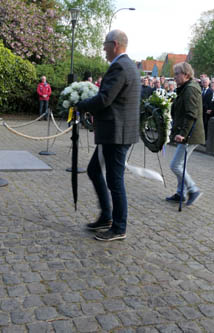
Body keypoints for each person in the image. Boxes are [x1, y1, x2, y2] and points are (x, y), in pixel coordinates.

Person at [76, 30, 140, 241]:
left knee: (115, 180)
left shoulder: (120, 66)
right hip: (115, 132)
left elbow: (104, 99)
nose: (103, 49)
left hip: (116, 133)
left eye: (105, 45)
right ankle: (106, 216)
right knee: (94, 170)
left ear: (114, 44)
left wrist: (81, 105)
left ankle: (119, 227)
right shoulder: (128, 65)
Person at [165, 62, 205, 206]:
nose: (174, 77)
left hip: (190, 135)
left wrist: (182, 133)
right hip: (188, 133)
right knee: (180, 165)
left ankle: (193, 189)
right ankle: (180, 193)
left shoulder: (190, 89)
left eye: (177, 73)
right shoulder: (185, 88)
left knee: (175, 165)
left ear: (186, 74)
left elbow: (191, 114)